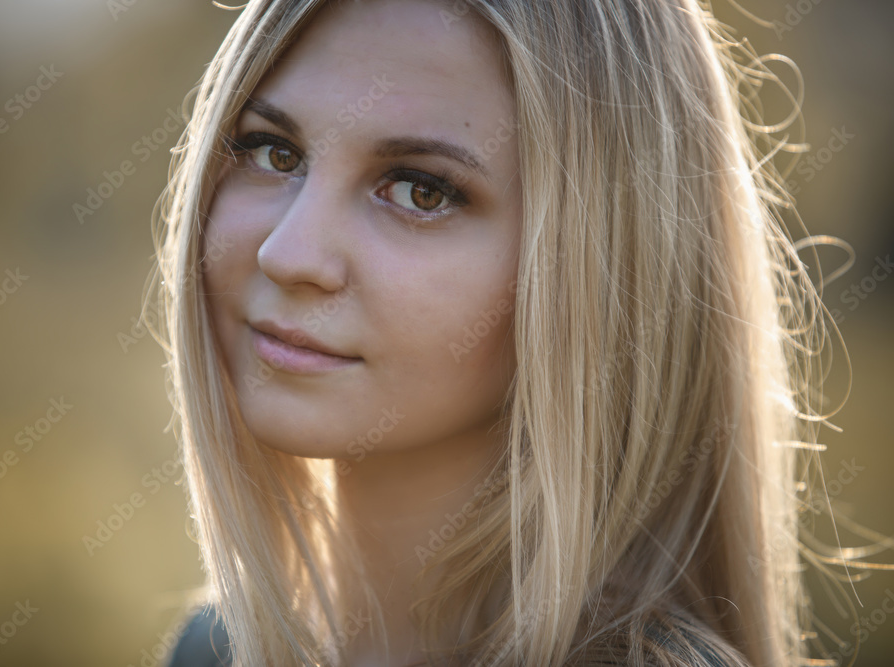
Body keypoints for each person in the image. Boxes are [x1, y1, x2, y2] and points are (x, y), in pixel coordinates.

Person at [144, 0, 881, 664]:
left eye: (419, 189)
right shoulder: (216, 649)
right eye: (275, 152)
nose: (287, 253)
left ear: (604, 270)